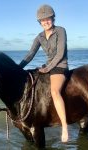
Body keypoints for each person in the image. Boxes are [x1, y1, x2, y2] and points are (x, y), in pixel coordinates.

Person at [20, 4, 69, 142]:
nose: (45, 22)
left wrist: (48, 69)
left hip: (60, 66)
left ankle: (65, 127)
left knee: (54, 92)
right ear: (39, 22)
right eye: (42, 20)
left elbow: (60, 54)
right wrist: (18, 67)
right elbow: (30, 54)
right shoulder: (39, 37)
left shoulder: (60, 31)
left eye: (48, 18)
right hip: (47, 66)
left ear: (53, 18)